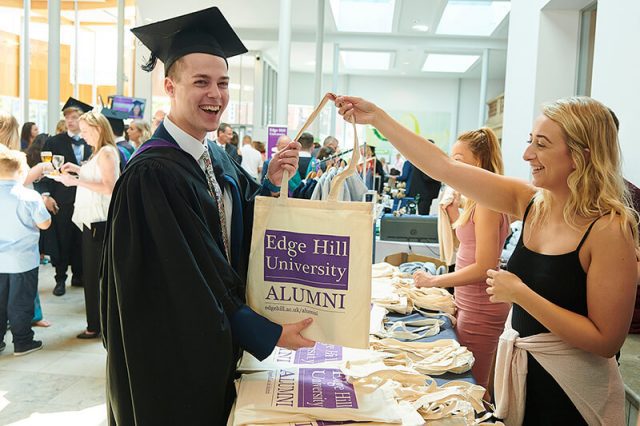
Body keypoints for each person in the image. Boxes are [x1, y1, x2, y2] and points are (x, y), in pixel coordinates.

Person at [334, 94, 637, 424]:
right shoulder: (531, 202)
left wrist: (521, 295)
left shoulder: (609, 229)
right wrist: (377, 117)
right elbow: (444, 167)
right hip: (524, 376)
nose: (527, 154)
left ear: (581, 155)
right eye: (530, 141)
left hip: (572, 393)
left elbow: (606, 340)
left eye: (542, 145)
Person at [104, 7, 314, 424]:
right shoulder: (152, 174)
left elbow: (232, 232)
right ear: (170, 86)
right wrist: (265, 333)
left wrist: (270, 184)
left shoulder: (214, 155)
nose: (215, 94)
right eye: (200, 82)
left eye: (222, 82)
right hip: (172, 353)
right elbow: (188, 277)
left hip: (215, 346)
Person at [413, 127, 511, 392]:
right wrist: (454, 212)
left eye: (458, 160)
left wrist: (434, 281)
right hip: (469, 301)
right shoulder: (476, 199)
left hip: (481, 305)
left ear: (478, 162)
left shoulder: (488, 202)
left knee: (474, 387)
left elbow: (484, 267)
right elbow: (469, 245)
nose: (450, 167)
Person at [57, 111, 119, 340]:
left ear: (98, 128)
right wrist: (77, 169)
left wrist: (74, 181)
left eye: (85, 131)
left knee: (95, 279)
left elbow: (109, 188)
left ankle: (96, 326)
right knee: (92, 277)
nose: (82, 136)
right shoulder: (99, 153)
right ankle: (96, 323)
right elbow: (96, 178)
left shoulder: (107, 153)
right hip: (92, 221)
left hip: (99, 222)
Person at [0, 148, 51, 356]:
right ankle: (22, 341)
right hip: (23, 260)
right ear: (21, 172)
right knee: (21, 301)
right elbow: (45, 223)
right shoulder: (30, 196)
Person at [40, 97, 93, 296]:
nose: (70, 121)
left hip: (87, 199)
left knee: (82, 239)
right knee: (62, 239)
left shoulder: (92, 142)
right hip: (61, 199)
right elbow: (45, 171)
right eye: (67, 117)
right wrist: (46, 195)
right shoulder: (54, 141)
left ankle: (79, 275)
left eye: (75, 117)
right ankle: (60, 278)